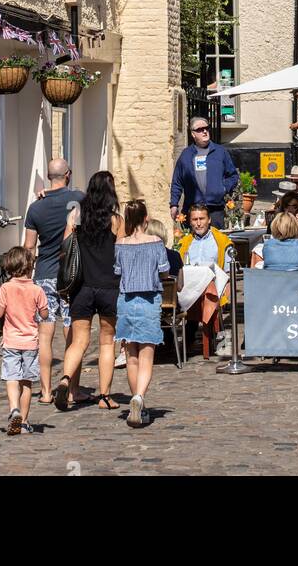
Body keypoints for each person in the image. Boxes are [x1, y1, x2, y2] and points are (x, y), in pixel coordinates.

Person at [54, 171, 122, 412]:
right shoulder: (116, 221)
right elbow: (121, 254)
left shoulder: (76, 216)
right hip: (109, 287)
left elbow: (65, 247)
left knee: (79, 341)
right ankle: (104, 396)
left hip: (81, 286)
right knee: (106, 342)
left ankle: (65, 380)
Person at [23, 158, 86, 404]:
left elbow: (29, 247)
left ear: (48, 178)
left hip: (44, 275)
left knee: (45, 334)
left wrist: (26, 277)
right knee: (73, 330)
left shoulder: (35, 208)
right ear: (68, 174)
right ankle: (72, 389)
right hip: (71, 274)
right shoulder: (77, 200)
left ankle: (47, 391)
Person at [114, 198, 172, 428]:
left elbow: (118, 271)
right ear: (146, 219)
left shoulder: (120, 244)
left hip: (126, 301)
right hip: (149, 300)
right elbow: (165, 272)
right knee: (147, 355)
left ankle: (135, 400)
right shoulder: (156, 242)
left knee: (131, 356)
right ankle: (139, 397)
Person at [0, 246, 47, 436]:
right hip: (30, 343)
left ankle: (14, 409)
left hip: (11, 342)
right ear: (30, 266)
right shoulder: (37, 290)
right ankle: (24, 421)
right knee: (27, 382)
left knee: (12, 378)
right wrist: (39, 309)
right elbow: (44, 314)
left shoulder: (5, 288)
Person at [177, 203, 233, 353]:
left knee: (207, 296)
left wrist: (227, 287)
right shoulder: (184, 242)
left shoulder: (221, 241)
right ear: (190, 221)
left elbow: (228, 269)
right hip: (189, 288)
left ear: (209, 220)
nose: (198, 223)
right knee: (189, 301)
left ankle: (214, 337)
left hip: (213, 288)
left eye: (202, 218)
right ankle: (186, 341)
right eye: (195, 219)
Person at [170, 117, 239, 228]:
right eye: (200, 129)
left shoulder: (220, 152)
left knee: (216, 243)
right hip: (193, 210)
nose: (204, 131)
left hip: (215, 209)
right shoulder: (186, 155)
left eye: (206, 128)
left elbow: (233, 176)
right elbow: (177, 182)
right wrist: (174, 204)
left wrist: (223, 188)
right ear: (193, 134)